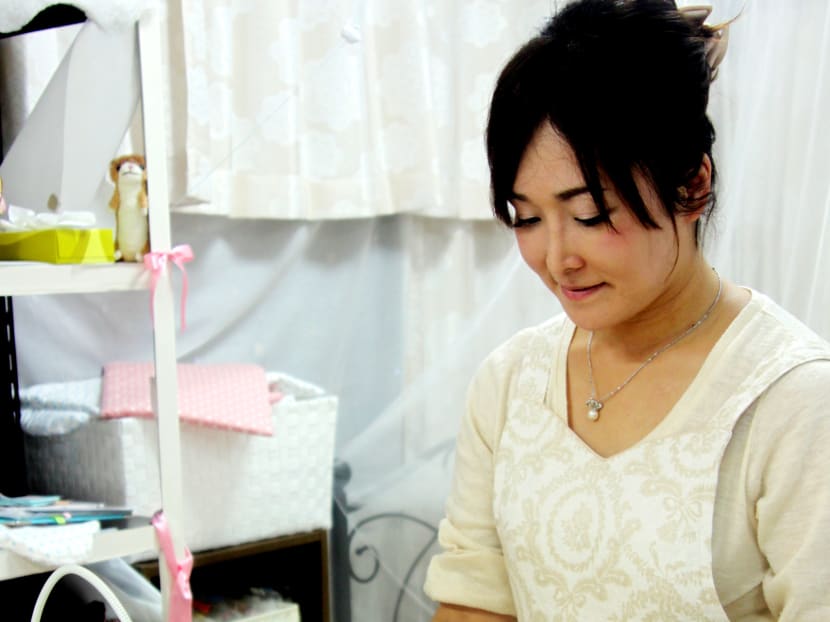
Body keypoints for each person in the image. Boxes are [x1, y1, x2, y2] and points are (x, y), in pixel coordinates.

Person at [423, 0, 830, 620]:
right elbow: (473, 600)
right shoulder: (511, 383)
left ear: (691, 186)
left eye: (589, 214)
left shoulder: (793, 401)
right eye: (527, 217)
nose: (557, 258)